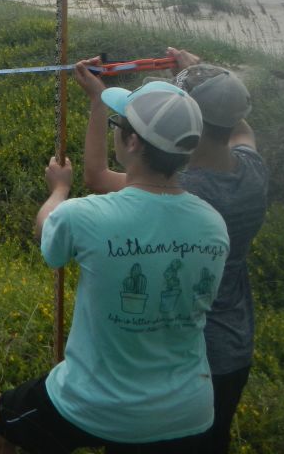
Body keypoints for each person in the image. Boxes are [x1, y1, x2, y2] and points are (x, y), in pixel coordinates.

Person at [0, 80, 229, 453]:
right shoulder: (213, 223)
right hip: (188, 410)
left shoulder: (86, 215)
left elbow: (47, 232)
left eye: (118, 125)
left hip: (97, 404)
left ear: (133, 142)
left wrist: (59, 190)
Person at [73, 48, 268, 453]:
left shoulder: (183, 192)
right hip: (234, 349)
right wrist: (207, 81)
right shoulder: (253, 171)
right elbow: (238, 129)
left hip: (181, 354)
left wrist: (98, 102)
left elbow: (94, 176)